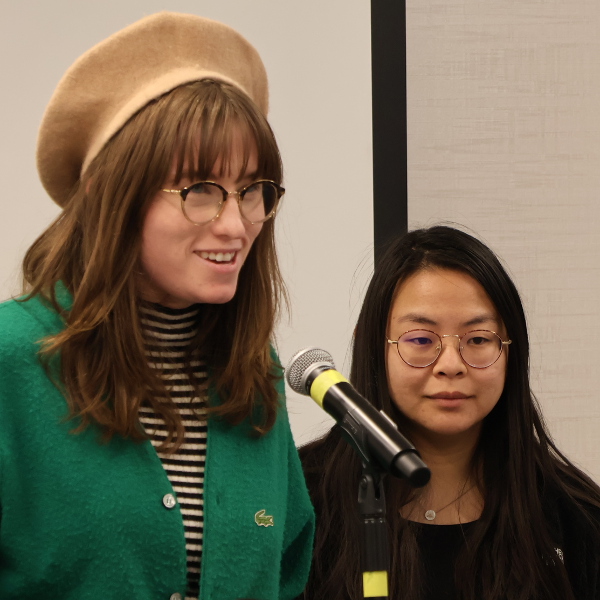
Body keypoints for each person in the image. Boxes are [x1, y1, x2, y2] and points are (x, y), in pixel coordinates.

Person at [0, 12, 314, 600]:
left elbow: (289, 571)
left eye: (252, 191)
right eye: (200, 192)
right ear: (110, 196)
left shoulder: (254, 374)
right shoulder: (12, 360)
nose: (236, 224)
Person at [299, 225, 600, 600]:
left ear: (511, 351)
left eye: (477, 340)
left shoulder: (576, 516)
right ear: (374, 347)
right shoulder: (301, 500)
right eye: (421, 340)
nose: (451, 365)